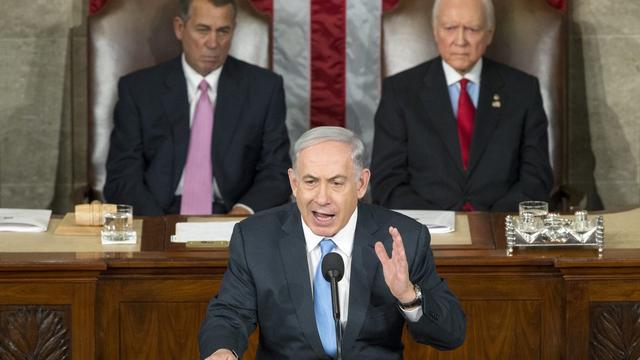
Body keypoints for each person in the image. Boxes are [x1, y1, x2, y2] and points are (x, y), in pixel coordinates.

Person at [199, 126, 466, 359]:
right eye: (311, 182)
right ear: (294, 183)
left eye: (337, 183)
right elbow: (230, 313)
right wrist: (223, 350)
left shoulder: (402, 238)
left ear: (361, 184)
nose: (322, 198)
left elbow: (451, 334)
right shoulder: (256, 238)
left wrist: (408, 296)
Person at [104, 0, 291, 216]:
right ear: (180, 28)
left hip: (234, 215)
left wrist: (244, 212)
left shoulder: (264, 89)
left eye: (223, 31)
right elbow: (122, 176)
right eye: (203, 30)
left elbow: (276, 172)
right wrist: (158, 227)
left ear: (233, 31)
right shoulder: (139, 90)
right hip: (158, 214)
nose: (213, 43)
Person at [371, 0, 553, 212]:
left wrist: (492, 223)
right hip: (425, 231)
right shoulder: (400, 91)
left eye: (472, 29)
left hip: (500, 228)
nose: (460, 40)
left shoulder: (523, 90)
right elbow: (387, 180)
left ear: (490, 33)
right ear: (435, 31)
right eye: (450, 28)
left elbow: (536, 176)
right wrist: (432, 224)